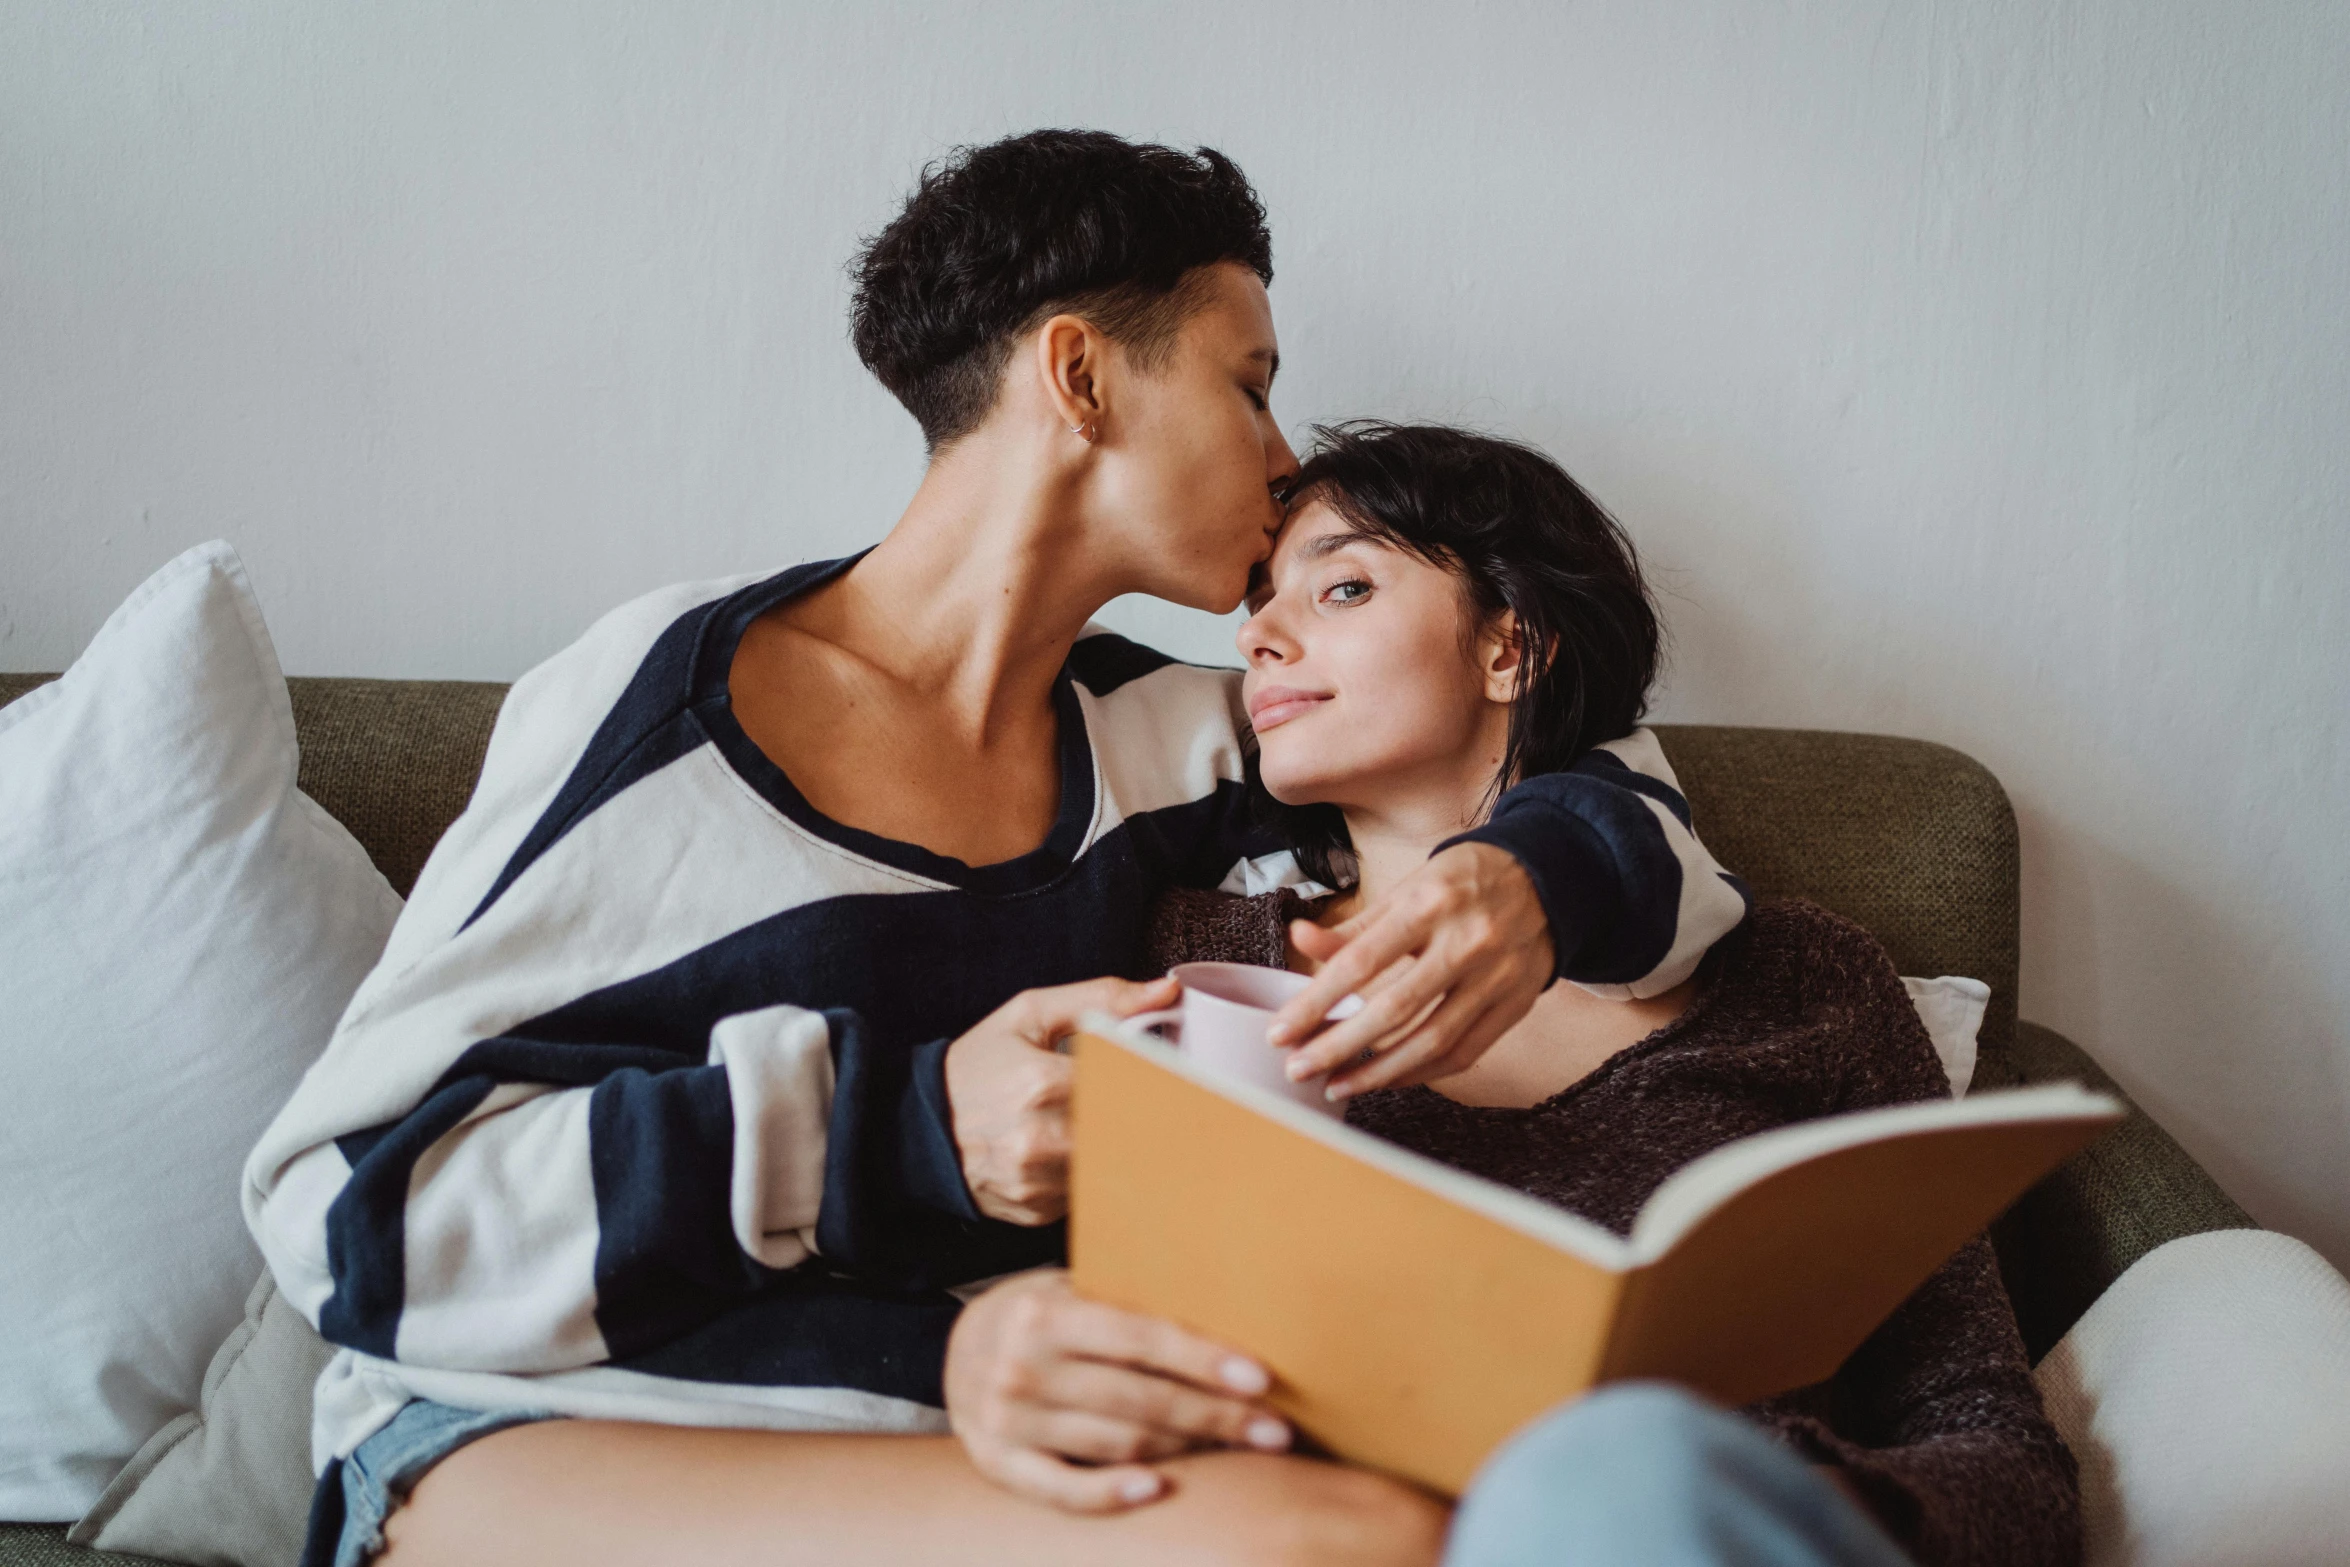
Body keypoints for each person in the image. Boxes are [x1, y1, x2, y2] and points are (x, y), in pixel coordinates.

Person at [241, 134, 1747, 1566]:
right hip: (549, 1413)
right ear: (1080, 377)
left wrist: (1537, 881)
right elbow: (346, 1210)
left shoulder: (1176, 741)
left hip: (949, 1415)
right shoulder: (671, 709)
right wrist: (906, 1129)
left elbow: (1589, 748)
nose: (1284, 462)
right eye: (1250, 386)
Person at [1100, 421, 2079, 1566]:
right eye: (1260, 602)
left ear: (1511, 647)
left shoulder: (1799, 980)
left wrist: (1736, 1502)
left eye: (1342, 587)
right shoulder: (1196, 971)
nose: (1257, 635)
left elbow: (1996, 1447)